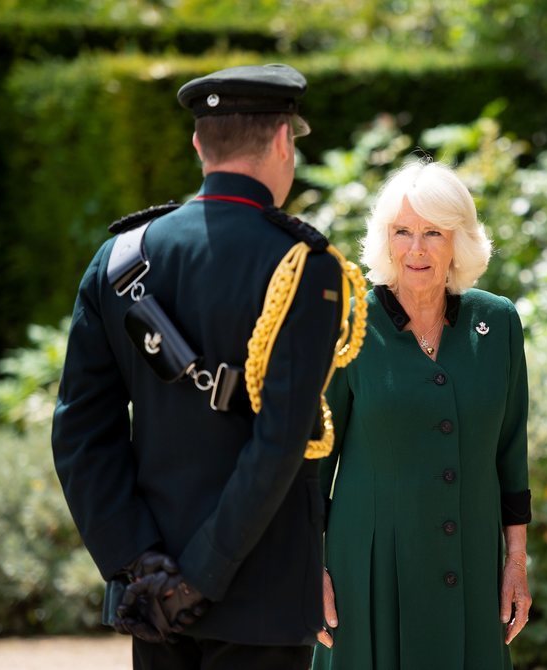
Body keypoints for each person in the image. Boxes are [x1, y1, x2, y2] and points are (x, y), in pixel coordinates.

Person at [52, 63, 350, 670]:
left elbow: (80, 435)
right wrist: (202, 577)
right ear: (282, 141)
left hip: (154, 601)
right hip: (260, 595)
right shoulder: (303, 265)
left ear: (197, 144)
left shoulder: (120, 260)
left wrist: (144, 568)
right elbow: (279, 441)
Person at [311, 160, 532, 670]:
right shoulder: (350, 322)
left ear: (460, 240)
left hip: (472, 562)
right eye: (403, 231)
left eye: (433, 232)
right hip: (367, 571)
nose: (416, 248)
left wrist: (515, 561)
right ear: (385, 240)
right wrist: (307, 566)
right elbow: (313, 461)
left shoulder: (497, 323)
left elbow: (510, 454)